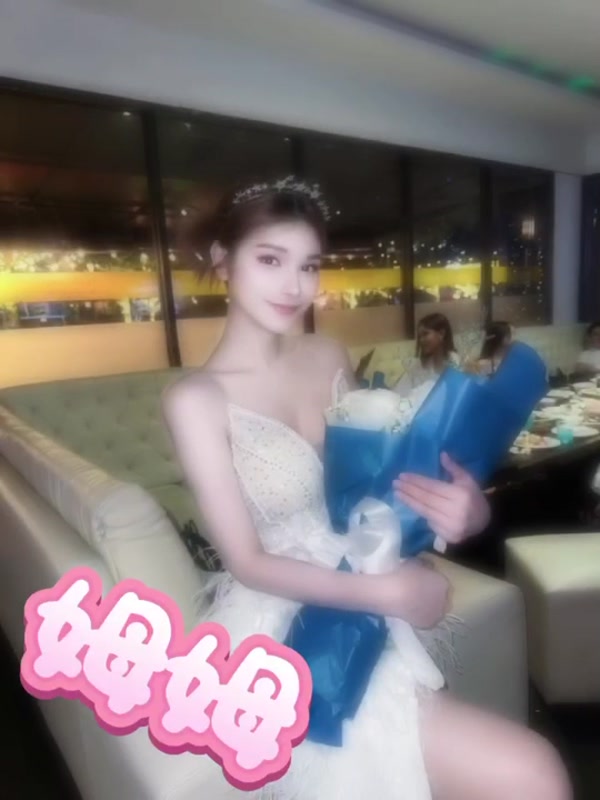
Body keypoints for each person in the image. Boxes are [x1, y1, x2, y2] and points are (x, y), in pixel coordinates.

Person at [163, 178, 571, 800]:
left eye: (309, 265)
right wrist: (385, 592)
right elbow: (247, 562)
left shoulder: (328, 354)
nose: (294, 285)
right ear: (223, 259)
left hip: (369, 580)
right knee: (530, 772)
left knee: (529, 772)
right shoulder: (195, 399)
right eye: (270, 259)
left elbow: (376, 492)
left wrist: (467, 512)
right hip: (288, 625)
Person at [393, 312, 460, 396]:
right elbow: (397, 393)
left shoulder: (455, 361)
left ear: (441, 334)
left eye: (425, 334)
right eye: (420, 336)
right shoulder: (416, 366)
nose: (421, 340)